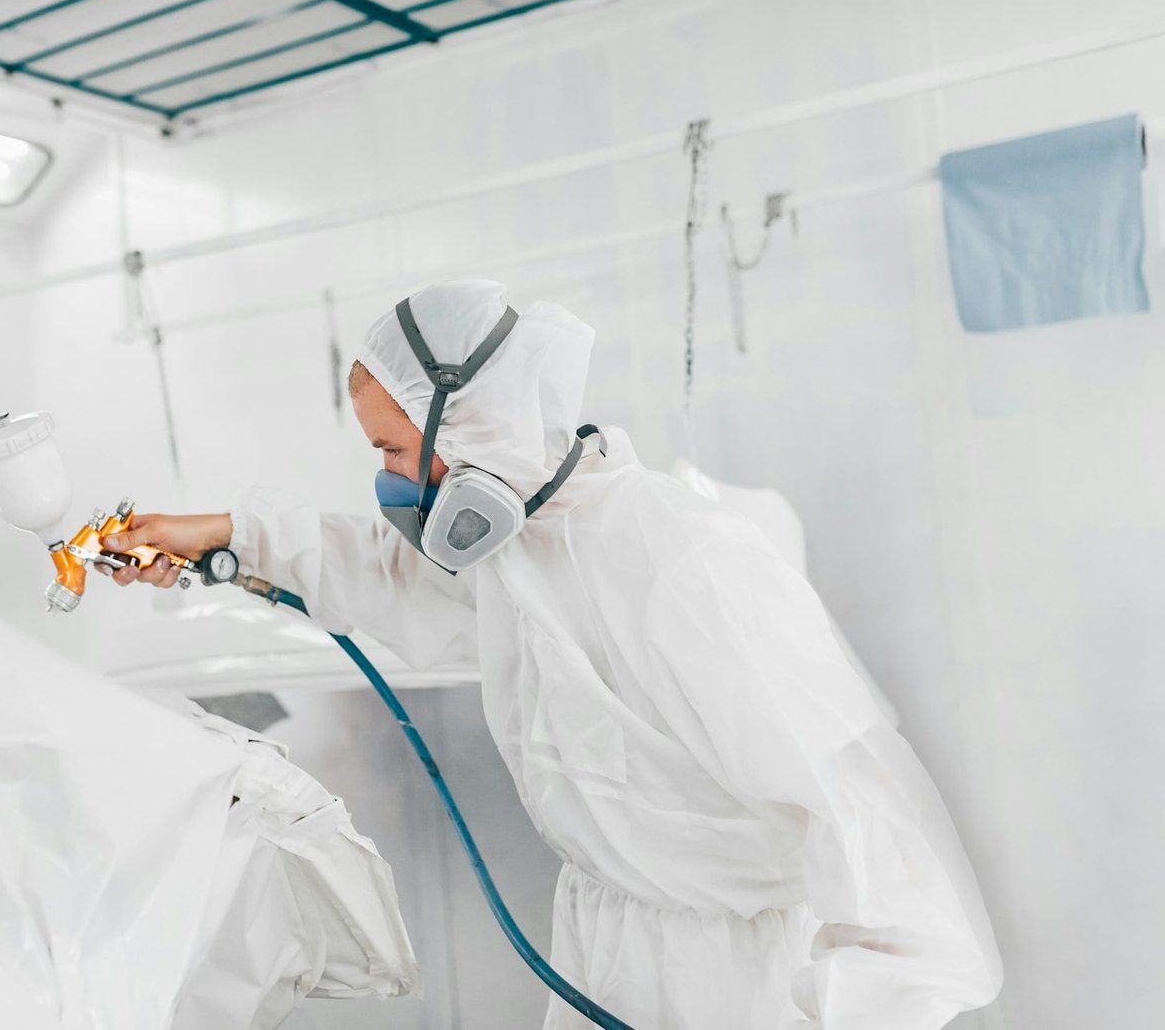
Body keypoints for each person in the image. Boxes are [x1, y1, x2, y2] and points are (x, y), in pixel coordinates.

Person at [96, 280, 1002, 1029]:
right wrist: (224, 533)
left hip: (738, 982)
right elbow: (392, 576)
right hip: (609, 947)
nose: (390, 484)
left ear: (468, 423)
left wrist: (862, 1008)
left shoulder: (678, 554)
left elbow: (862, 814)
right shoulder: (524, 544)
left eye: (392, 451)